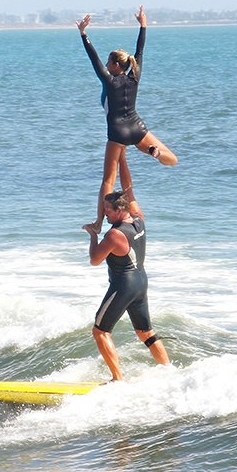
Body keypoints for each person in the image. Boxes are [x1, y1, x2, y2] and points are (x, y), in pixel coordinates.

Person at [76, 5, 177, 233]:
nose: (106, 65)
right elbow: (140, 52)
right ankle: (158, 154)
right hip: (137, 127)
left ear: (114, 65)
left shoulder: (109, 80)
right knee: (173, 159)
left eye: (109, 62)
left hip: (118, 134)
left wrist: (83, 34)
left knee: (107, 182)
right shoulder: (135, 77)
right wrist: (143, 25)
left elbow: (93, 61)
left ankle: (98, 223)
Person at [82, 148, 169, 382]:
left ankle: (117, 379)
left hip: (124, 285)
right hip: (141, 282)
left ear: (119, 210)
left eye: (107, 211)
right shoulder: (138, 219)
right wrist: (121, 157)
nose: (104, 214)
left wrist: (92, 234)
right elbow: (128, 188)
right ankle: (168, 370)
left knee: (100, 332)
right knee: (145, 333)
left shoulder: (115, 235)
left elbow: (94, 260)